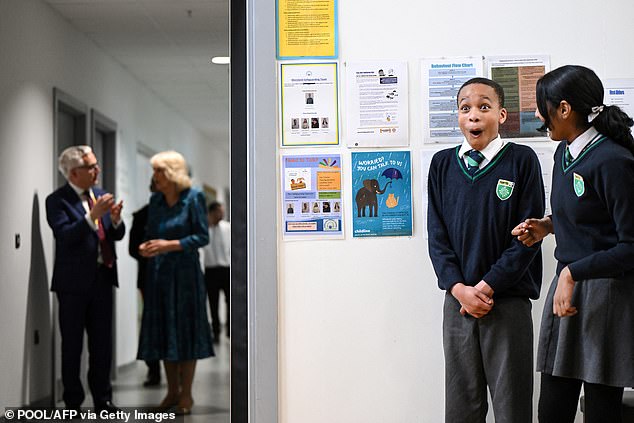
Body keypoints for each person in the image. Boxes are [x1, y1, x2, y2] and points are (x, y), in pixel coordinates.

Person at [512, 65, 634, 423]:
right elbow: (590, 215)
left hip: (607, 299)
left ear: (564, 109)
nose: (538, 114)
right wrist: (548, 225)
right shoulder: (563, 153)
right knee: (552, 409)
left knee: (601, 411)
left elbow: (630, 244)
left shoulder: (613, 160)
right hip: (568, 290)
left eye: (542, 106)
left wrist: (572, 273)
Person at [427, 77, 545, 423]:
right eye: (465, 108)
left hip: (505, 302)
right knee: (462, 406)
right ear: (458, 117)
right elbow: (437, 237)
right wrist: (460, 288)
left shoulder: (521, 160)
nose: (474, 116)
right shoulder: (442, 165)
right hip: (459, 303)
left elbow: (528, 237)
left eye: (483, 107)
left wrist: (488, 285)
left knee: (512, 406)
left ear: (502, 114)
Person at [45, 145, 124, 413]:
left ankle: (103, 399)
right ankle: (73, 401)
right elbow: (65, 236)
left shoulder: (99, 195)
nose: (97, 170)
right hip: (73, 286)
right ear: (74, 173)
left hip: (102, 279)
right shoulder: (57, 201)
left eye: (96, 164)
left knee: (102, 345)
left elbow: (116, 235)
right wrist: (92, 217)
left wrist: (114, 220)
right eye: (91, 167)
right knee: (72, 345)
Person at [137, 151, 214, 415]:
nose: (155, 176)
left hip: (186, 276)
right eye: (154, 171)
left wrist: (170, 245)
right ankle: (171, 392)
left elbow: (202, 237)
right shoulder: (155, 201)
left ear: (172, 173)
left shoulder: (194, 198)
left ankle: (187, 395)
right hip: (159, 274)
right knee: (164, 332)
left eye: (159, 171)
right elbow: (151, 233)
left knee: (185, 332)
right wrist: (147, 247)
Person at [128, 180, 161, 387]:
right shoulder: (142, 215)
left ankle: (174, 370)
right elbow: (133, 249)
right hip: (148, 275)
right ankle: (153, 368)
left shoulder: (178, 214)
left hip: (173, 274)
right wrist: (145, 250)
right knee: (151, 322)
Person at [203, 202, 231, 342]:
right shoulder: (205, 229)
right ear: (212, 213)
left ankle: (230, 331)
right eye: (219, 211)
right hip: (211, 271)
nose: (222, 214)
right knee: (213, 303)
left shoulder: (228, 228)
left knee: (230, 301)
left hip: (226, 269)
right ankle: (216, 332)